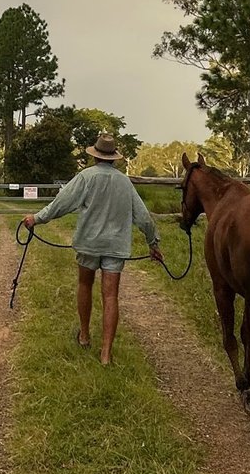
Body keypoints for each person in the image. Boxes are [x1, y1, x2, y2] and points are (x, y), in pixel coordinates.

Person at [22, 133, 161, 365]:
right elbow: (144, 217)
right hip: (115, 246)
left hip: (89, 243)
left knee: (85, 284)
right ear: (114, 158)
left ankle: (85, 336)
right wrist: (153, 243)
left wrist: (36, 218)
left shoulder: (85, 177)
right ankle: (106, 353)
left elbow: (61, 203)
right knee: (111, 296)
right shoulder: (125, 182)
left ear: (95, 155)